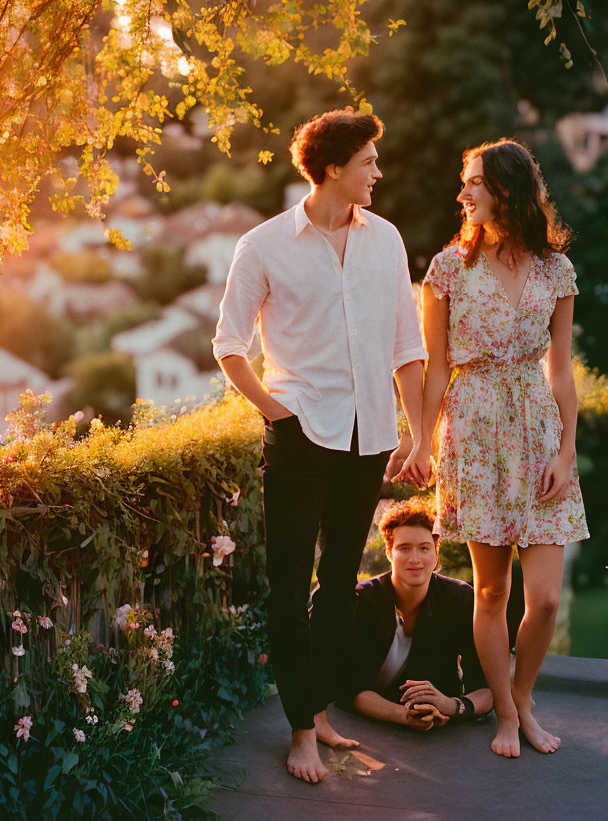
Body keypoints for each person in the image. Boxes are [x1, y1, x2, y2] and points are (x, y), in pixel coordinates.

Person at [212, 108, 426, 783]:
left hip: (369, 436)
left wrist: (418, 431)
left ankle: (321, 707)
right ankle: (300, 729)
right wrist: (281, 417)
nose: (378, 173)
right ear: (334, 168)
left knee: (339, 583)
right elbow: (229, 346)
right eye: (368, 161)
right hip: (303, 435)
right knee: (287, 586)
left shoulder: (385, 240)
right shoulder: (265, 245)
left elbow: (405, 343)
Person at [402, 139, 589, 758]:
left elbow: (561, 372)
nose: (463, 194)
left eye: (473, 182)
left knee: (548, 599)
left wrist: (566, 450)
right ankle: (506, 713)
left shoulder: (555, 270)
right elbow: (434, 370)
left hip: (537, 431)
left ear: (506, 188)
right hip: (475, 430)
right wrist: (419, 441)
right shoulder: (449, 269)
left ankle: (524, 696)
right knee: (490, 593)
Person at [344, 498, 492, 730]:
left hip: (443, 737)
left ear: (436, 554)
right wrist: (403, 716)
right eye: (404, 548)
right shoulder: (363, 599)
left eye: (424, 548)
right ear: (389, 553)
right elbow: (352, 688)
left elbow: (487, 689)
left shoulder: (460, 598)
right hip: (366, 727)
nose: (415, 559)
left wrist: (451, 706)